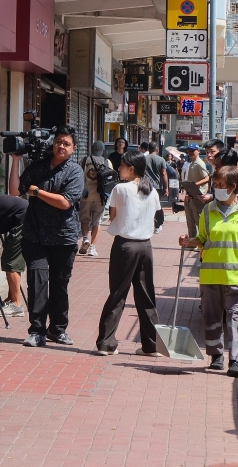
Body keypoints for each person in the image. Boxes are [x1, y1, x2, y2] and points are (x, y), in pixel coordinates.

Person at [178, 165, 238, 377]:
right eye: (215, 184)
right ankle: (216, 356)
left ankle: (235, 361)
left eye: (220, 185)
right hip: (211, 276)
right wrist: (188, 241)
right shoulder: (208, 211)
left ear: (233, 187)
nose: (216, 188)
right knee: (212, 319)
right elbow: (202, 239)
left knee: (236, 320)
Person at [19, 125, 85, 347]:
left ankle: (57, 329)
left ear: (73, 148)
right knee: (37, 282)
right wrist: (15, 160)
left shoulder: (75, 172)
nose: (61, 146)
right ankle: (37, 330)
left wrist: (37, 192)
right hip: (35, 235)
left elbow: (65, 202)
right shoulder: (37, 167)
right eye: (58, 142)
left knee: (59, 284)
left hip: (63, 237)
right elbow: (15, 190)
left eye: (66, 143)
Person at [95, 151, 162, 356]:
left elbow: (112, 216)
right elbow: (157, 217)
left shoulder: (120, 189)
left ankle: (106, 343)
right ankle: (151, 345)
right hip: (145, 246)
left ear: (131, 169)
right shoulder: (152, 190)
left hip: (125, 245)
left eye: (122, 165)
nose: (118, 169)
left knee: (118, 293)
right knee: (146, 295)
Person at [80, 141, 112, 257]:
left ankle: (85, 239)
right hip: (100, 196)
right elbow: (110, 180)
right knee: (97, 221)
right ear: (103, 151)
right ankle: (92, 248)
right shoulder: (106, 161)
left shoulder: (84, 160)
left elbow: (79, 175)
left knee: (84, 219)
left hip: (86, 195)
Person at [182, 143, 210, 237]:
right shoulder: (192, 163)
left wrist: (194, 185)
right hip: (190, 195)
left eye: (193, 150)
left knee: (198, 219)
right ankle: (192, 241)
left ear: (198, 151)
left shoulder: (199, 163)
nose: (190, 152)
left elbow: (207, 178)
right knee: (190, 220)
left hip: (197, 195)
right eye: (189, 151)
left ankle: (201, 240)